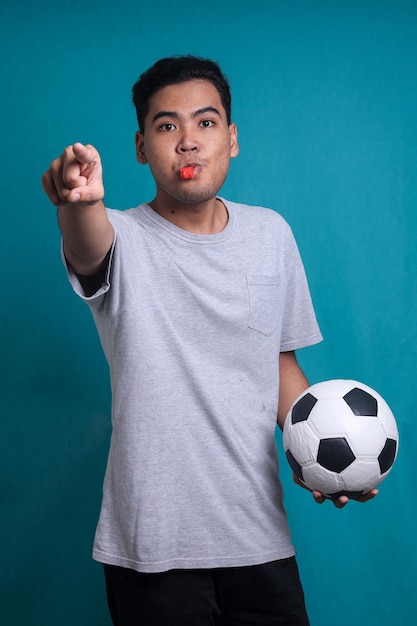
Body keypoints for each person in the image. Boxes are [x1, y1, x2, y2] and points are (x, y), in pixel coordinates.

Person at [41, 55, 377, 626]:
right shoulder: (121, 235)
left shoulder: (271, 235)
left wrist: (324, 452)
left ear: (232, 138)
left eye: (206, 122)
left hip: (259, 537)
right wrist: (81, 202)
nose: (188, 141)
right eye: (167, 126)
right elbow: (88, 244)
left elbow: (278, 366)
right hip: (153, 547)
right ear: (143, 146)